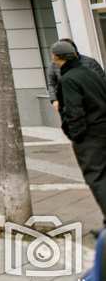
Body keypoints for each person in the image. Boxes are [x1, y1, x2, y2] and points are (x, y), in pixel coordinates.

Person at [52, 40, 106, 230]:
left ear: (56, 57)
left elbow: (74, 111)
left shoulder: (69, 79)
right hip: (102, 128)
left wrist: (76, 135)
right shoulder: (89, 72)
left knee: (97, 177)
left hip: (90, 135)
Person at [49, 37, 106, 111]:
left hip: (92, 102)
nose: (54, 60)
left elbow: (101, 80)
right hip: (67, 103)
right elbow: (51, 83)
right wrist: (54, 100)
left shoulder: (90, 62)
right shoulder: (54, 65)